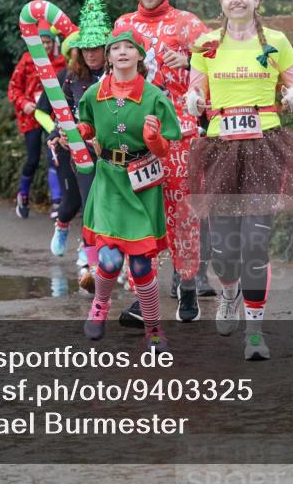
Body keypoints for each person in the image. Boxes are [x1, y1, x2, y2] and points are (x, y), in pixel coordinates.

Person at [185, 0, 293, 360]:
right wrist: (193, 100)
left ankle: (254, 332)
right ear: (221, 2)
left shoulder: (277, 41)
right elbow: (195, 91)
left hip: (264, 146)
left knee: (254, 243)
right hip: (219, 149)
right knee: (223, 250)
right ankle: (228, 292)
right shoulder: (206, 44)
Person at [113, 0, 214, 328]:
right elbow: (113, 75)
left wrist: (187, 61)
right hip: (137, 137)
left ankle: (187, 285)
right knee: (141, 218)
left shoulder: (187, 23)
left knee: (182, 214)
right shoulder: (124, 25)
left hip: (179, 136)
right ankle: (144, 300)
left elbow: (217, 63)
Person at [79, 27, 182, 351]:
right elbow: (86, 124)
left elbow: (166, 146)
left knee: (140, 266)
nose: (122, 52)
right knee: (109, 261)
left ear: (139, 56)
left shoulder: (154, 97)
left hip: (142, 185)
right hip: (109, 181)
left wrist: (154, 140)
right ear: (108, 57)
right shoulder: (93, 94)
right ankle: (100, 305)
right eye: (116, 48)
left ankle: (153, 328)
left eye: (129, 47)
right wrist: (80, 131)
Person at [37, 0, 109, 289]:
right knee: (74, 203)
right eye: (85, 49)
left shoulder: (118, 73)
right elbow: (61, 112)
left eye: (96, 48)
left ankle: (91, 259)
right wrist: (59, 134)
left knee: (99, 204)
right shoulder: (72, 77)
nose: (90, 54)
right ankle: (66, 228)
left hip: (109, 152)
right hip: (76, 151)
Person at [8, 20, 65, 219]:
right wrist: (24, 103)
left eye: (48, 42)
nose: (45, 45)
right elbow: (13, 88)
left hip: (51, 117)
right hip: (31, 117)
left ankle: (57, 201)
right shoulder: (27, 61)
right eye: (42, 42)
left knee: (53, 156)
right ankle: (23, 195)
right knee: (32, 158)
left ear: (54, 43)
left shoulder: (61, 63)